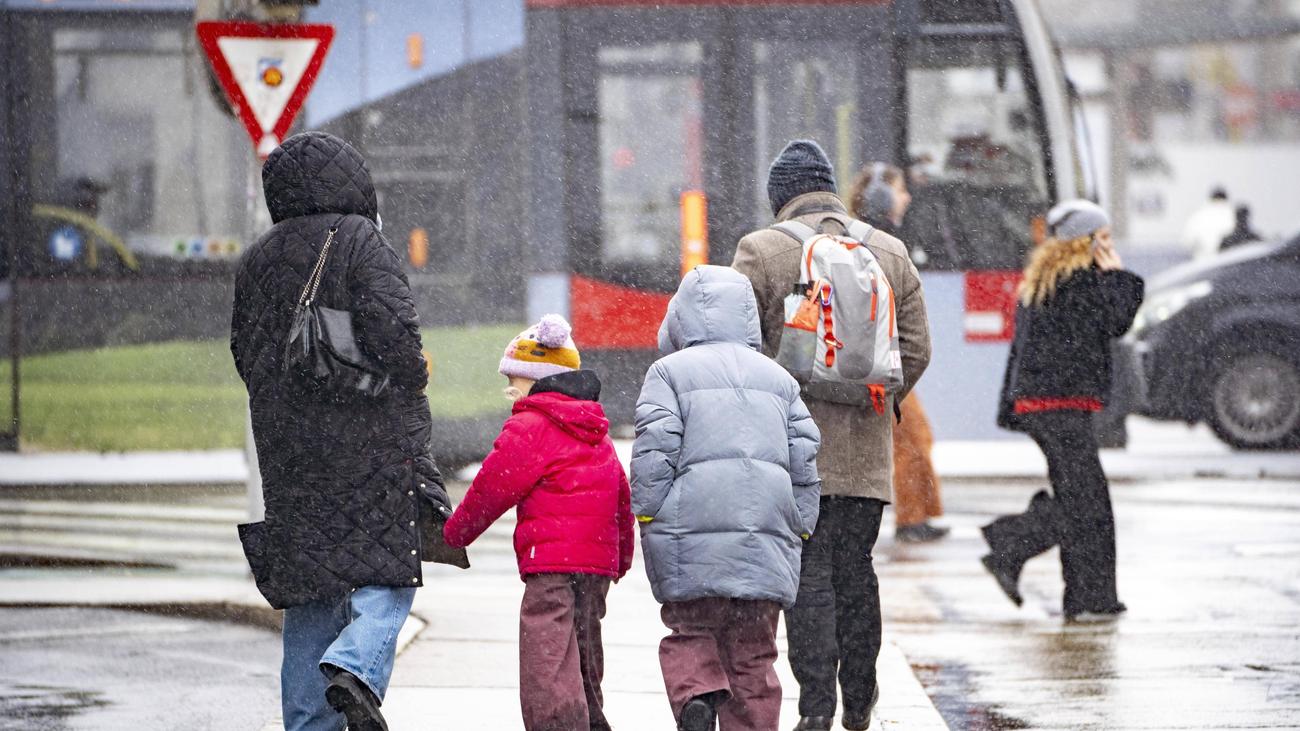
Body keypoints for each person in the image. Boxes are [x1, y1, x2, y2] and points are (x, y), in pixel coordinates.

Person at [230, 131, 450, 731]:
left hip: (289, 456)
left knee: (311, 590)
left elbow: (245, 355)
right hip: (367, 444)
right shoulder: (357, 238)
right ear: (353, 183)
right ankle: (355, 668)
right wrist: (412, 372)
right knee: (390, 568)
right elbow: (395, 336)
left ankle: (308, 721)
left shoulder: (256, 258)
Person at [733, 140, 932, 731]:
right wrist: (877, 398)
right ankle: (860, 696)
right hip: (866, 453)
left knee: (809, 573)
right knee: (856, 569)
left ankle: (816, 707)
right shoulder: (889, 251)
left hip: (794, 449)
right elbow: (917, 348)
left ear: (780, 197)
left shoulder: (761, 250)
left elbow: (737, 345)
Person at [631, 265, 821, 731]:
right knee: (754, 653)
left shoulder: (668, 373)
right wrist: (801, 523)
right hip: (765, 538)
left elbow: (655, 449)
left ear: (681, 317)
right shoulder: (780, 380)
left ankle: (697, 695)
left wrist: (648, 511)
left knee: (691, 630)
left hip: (691, 535)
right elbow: (804, 458)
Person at [443, 314, 634, 731]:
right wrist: (620, 558)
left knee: (546, 656)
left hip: (550, 565)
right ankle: (590, 718)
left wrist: (455, 534)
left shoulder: (530, 425)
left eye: (514, 379)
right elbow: (620, 495)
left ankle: (557, 724)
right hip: (595, 566)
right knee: (584, 651)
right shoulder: (595, 428)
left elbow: (491, 488)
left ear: (538, 380)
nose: (510, 389)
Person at [984, 199, 1144, 622]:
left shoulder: (1048, 278)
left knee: (1082, 499)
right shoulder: (1079, 280)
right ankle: (1013, 545)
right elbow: (1117, 321)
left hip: (1045, 405)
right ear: (1082, 241)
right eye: (1102, 238)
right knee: (1087, 503)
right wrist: (1119, 276)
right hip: (1058, 406)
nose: (1109, 246)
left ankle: (1086, 595)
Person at [846, 163, 948, 544]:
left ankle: (917, 515)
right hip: (882, 364)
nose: (906, 198)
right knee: (910, 440)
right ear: (882, 198)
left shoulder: (868, 239)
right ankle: (911, 519)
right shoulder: (882, 244)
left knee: (914, 437)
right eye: (900, 191)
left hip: (882, 361)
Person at [1181, 186, 1234, 260]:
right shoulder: (1234, 214)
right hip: (1229, 261)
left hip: (1204, 262)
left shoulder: (1198, 216)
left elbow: (1187, 243)